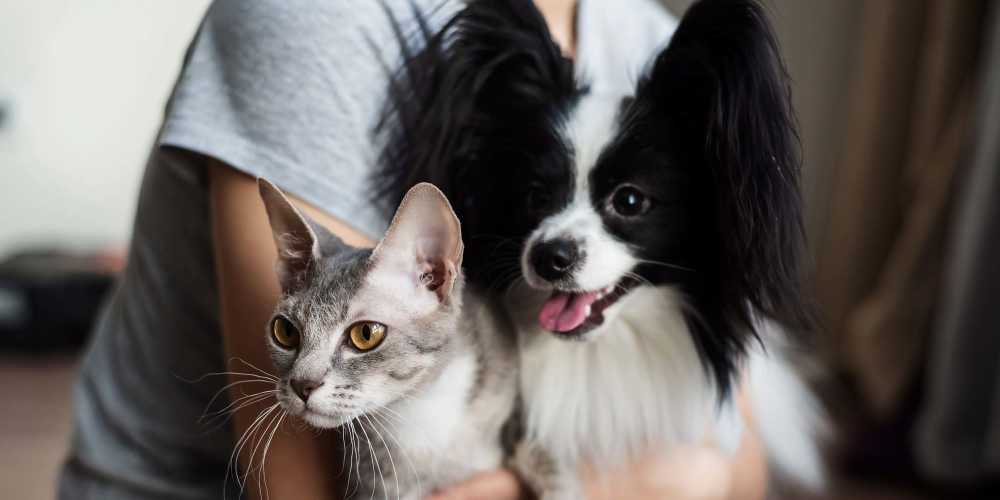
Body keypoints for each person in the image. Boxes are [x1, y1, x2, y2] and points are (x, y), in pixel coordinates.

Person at [58, 1, 767, 498]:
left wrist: (699, 476)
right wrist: (639, 484)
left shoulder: (648, 34)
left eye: (631, 204)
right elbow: (308, 483)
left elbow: (741, 470)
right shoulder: (316, 20)